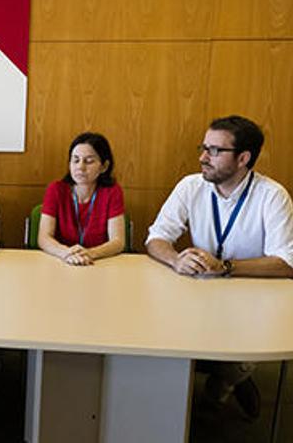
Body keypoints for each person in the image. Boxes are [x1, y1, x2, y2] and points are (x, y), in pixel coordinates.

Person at [146, 115, 293, 419]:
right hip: (197, 294)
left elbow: (286, 263)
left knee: (240, 359)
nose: (202, 157)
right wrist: (176, 259)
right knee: (159, 343)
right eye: (204, 148)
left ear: (243, 158)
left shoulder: (272, 196)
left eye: (214, 151)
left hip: (250, 300)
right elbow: (156, 238)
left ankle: (229, 380)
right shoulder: (191, 186)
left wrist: (226, 267)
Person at [38, 132, 125, 265]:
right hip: (61, 262)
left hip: (100, 263)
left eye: (89, 161)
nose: (80, 167)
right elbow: (44, 238)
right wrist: (66, 253)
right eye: (76, 160)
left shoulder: (112, 192)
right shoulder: (56, 190)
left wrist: (90, 253)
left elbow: (118, 241)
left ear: (104, 166)